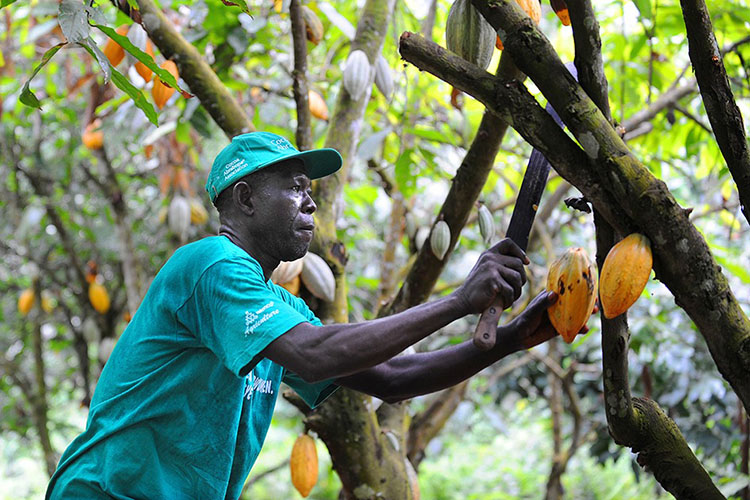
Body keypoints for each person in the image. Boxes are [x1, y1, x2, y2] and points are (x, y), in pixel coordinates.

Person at [46, 131, 570, 499]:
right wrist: (460, 301)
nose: (310, 204)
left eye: (310, 191)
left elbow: (391, 379)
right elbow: (311, 355)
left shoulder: (277, 308)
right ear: (246, 199)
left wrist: (511, 337)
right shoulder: (212, 265)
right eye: (295, 187)